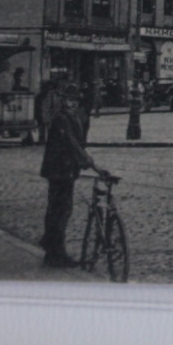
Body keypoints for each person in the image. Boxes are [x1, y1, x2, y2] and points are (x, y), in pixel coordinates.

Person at [39, 84, 110, 268]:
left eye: (76, 101)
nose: (73, 104)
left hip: (64, 170)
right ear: (63, 100)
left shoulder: (71, 117)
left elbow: (77, 144)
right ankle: (55, 252)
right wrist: (93, 166)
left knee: (59, 210)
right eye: (70, 100)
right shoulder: (62, 118)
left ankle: (51, 248)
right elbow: (73, 145)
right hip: (59, 171)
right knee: (60, 211)